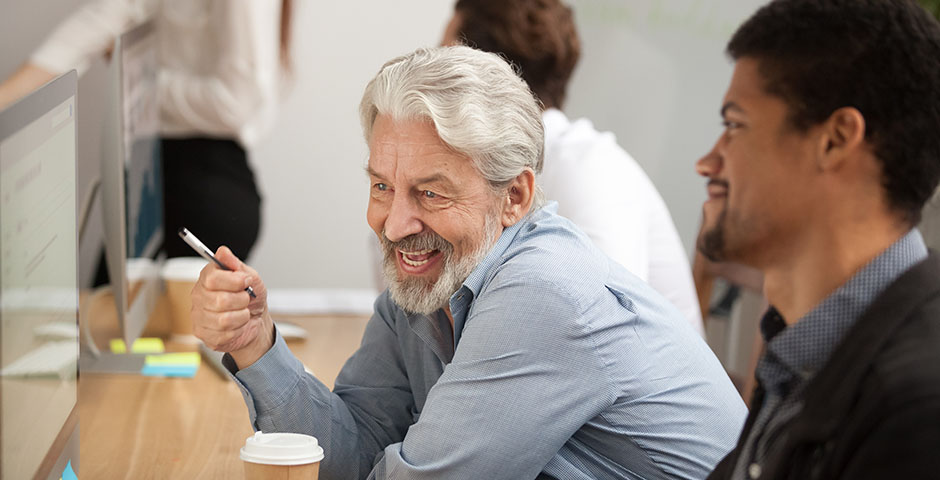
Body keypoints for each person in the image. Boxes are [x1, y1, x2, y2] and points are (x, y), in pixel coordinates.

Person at [192, 46, 746, 480]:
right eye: (383, 186)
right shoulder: (425, 287)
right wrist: (254, 342)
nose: (394, 225)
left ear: (515, 198)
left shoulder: (544, 294)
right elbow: (346, 456)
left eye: (431, 194)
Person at [694, 1, 940, 478]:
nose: (708, 162)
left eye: (734, 126)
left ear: (835, 139)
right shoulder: (806, 355)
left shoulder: (916, 409)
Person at [442, 0, 705, 336]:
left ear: (484, 78)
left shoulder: (591, 170)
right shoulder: (506, 169)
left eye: (445, 65)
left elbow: (605, 330)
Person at [0, 0, 293, 261]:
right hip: (152, 171)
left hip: (206, 189)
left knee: (118, 316)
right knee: (101, 314)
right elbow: (91, 27)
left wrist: (139, 80)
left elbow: (236, 104)